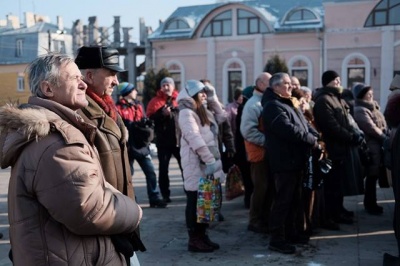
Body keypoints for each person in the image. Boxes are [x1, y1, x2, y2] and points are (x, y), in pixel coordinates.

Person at [0, 53, 142, 265]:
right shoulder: (56, 142)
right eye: (74, 78)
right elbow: (88, 209)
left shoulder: (60, 131)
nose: (83, 84)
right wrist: (134, 211)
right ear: (48, 89)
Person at [74, 45, 146, 256]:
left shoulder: (108, 108)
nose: (116, 81)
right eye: (112, 74)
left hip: (119, 214)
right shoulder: (79, 113)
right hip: (104, 222)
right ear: (89, 75)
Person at [262, 72, 319, 254]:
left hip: (295, 160)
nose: (291, 87)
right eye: (286, 84)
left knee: (294, 199)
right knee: (283, 201)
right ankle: (276, 239)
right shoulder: (272, 106)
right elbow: (289, 130)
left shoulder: (289, 103)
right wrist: (311, 140)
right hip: (284, 161)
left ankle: (291, 233)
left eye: (291, 84)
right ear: (275, 87)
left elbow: (304, 124)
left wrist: (316, 136)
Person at [177, 80, 227, 252]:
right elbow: (194, 138)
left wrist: (213, 98)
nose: (205, 94)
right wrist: (210, 160)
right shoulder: (186, 113)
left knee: (205, 201)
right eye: (202, 92)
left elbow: (222, 117)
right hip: (196, 163)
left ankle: (203, 235)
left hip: (206, 162)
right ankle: (194, 239)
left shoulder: (201, 110)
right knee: (194, 201)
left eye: (206, 92)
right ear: (193, 94)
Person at [313, 70, 364, 230]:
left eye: (339, 79)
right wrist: (350, 137)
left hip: (342, 148)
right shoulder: (323, 100)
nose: (338, 82)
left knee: (340, 183)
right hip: (333, 148)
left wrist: (353, 135)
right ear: (327, 81)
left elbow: (347, 121)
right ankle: (332, 214)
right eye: (335, 79)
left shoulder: (337, 98)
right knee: (332, 185)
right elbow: (331, 126)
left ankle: (339, 210)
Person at [116, 82, 167, 208]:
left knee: (150, 172)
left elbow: (143, 120)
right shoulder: (118, 107)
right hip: (128, 146)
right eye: (133, 90)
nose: (136, 92)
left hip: (141, 145)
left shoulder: (138, 105)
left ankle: (154, 197)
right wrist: (131, 125)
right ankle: (131, 199)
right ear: (128, 92)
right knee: (129, 174)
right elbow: (120, 125)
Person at [240, 72, 272, 234]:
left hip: (266, 152)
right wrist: (268, 142)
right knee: (260, 188)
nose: (272, 85)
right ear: (259, 84)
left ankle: (263, 219)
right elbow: (247, 131)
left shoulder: (264, 101)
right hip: (258, 153)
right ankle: (254, 220)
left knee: (266, 188)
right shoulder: (253, 104)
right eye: (269, 82)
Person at [353, 83, 388, 215]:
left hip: (377, 147)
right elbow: (370, 128)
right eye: (369, 95)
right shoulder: (360, 110)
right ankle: (370, 204)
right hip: (370, 147)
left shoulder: (374, 108)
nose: (372, 97)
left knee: (374, 177)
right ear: (362, 96)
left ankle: (372, 203)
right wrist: (385, 138)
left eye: (372, 94)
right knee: (371, 178)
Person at [146, 77, 183, 203]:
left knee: (185, 167)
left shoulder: (180, 99)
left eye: (168, 85)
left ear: (173, 87)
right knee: (163, 169)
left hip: (180, 140)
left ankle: (189, 191)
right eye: (164, 85)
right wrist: (162, 114)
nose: (166, 87)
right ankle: (165, 194)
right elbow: (150, 119)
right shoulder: (155, 101)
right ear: (161, 87)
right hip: (163, 142)